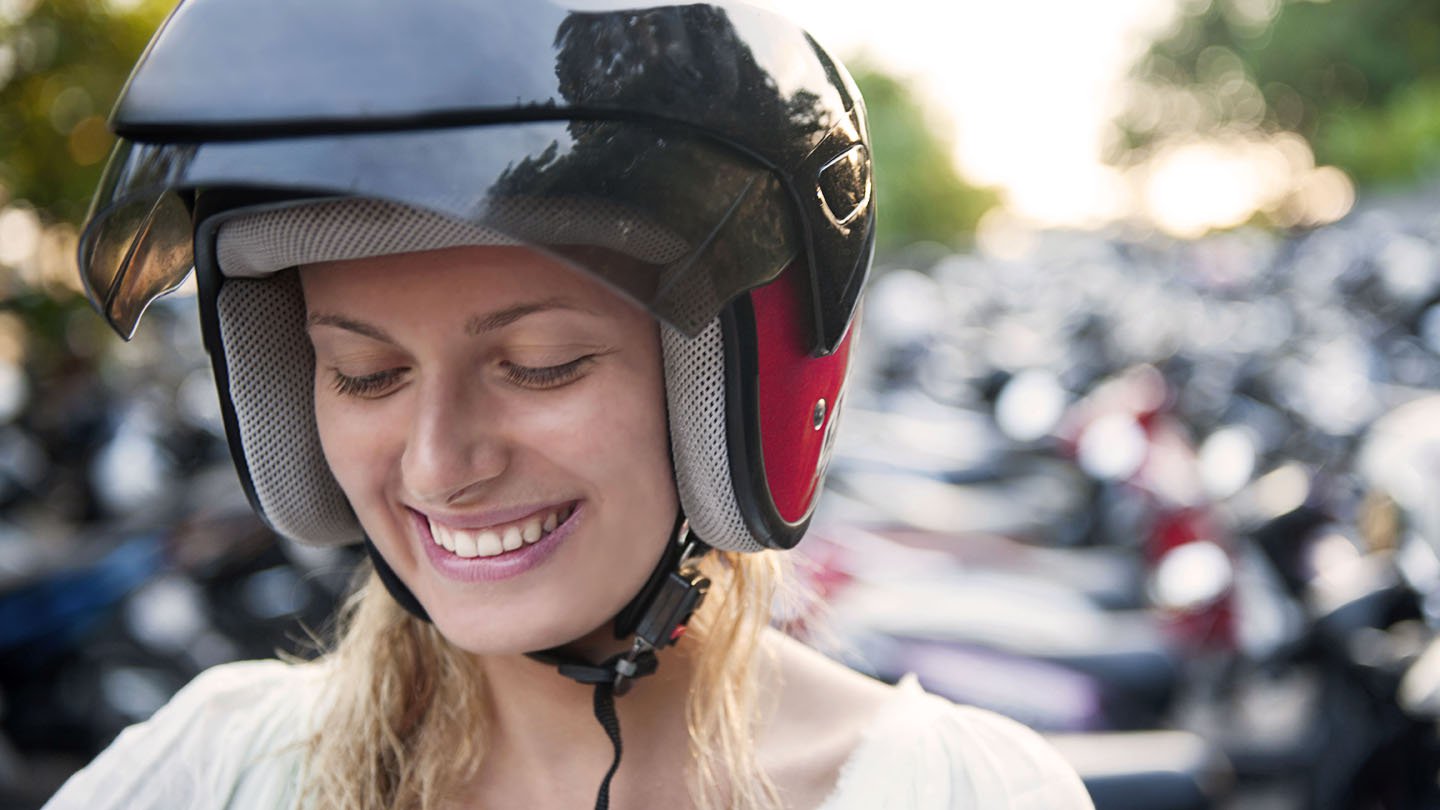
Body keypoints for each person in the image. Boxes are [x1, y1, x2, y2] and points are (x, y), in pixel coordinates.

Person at [48, 0, 1094, 807]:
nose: (437, 466)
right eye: (366, 375)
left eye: (541, 363)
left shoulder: (963, 792)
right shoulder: (208, 772)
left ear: (725, 393)